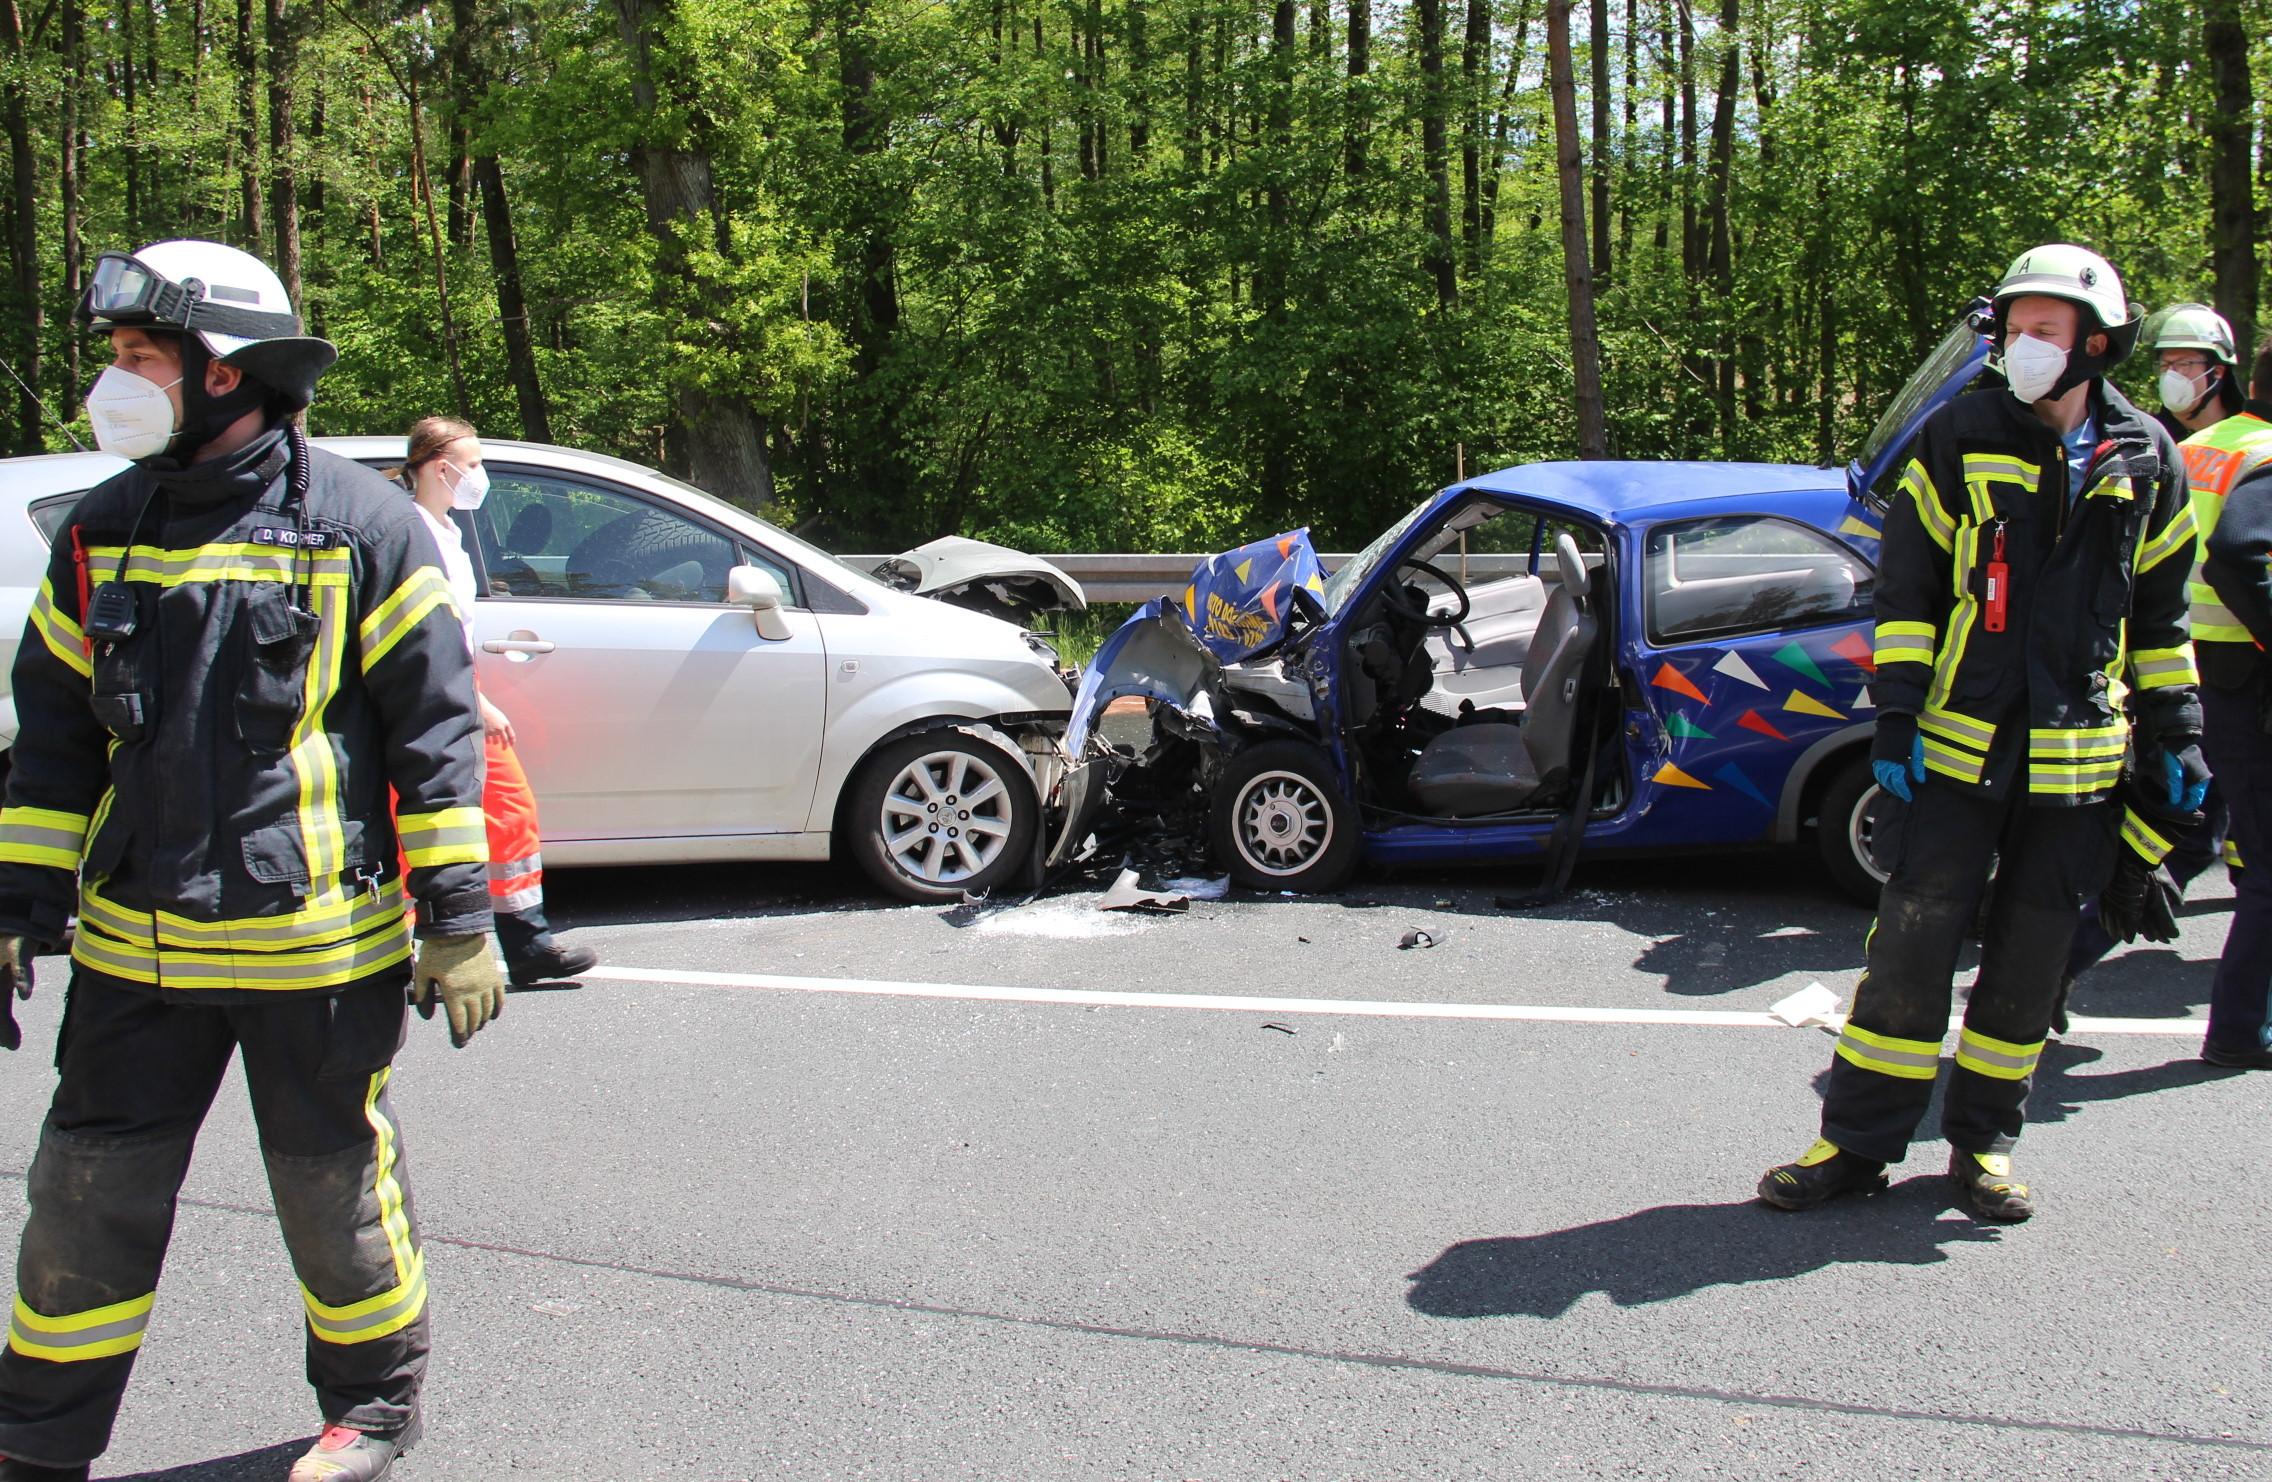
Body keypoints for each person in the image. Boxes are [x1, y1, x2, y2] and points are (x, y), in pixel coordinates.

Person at [0, 240, 501, 1481]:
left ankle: (373, 1410)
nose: (114, 380)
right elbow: (53, 742)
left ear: (224, 372)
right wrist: (15, 905)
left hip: (314, 952)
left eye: (139, 355)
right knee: (82, 1201)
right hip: (136, 953)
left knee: (335, 1195)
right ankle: (37, 1444)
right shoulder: (100, 532)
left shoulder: (364, 528)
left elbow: (435, 734)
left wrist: (459, 919)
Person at [1758, 244, 2201, 1223]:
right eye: (2011, 328)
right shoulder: (1959, 432)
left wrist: (2177, 731)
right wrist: (1896, 717)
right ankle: (1854, 1145)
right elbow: (1909, 591)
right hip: (1956, 753)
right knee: (1908, 953)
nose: (2019, 345)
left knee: (2031, 964)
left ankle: (1984, 1146)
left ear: (2095, 343)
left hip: (2077, 765)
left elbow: (2161, 619)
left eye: (2042, 330)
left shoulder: (2146, 459)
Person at [2051, 303, 2245, 1027]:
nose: (2171, 377)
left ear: (2219, 373)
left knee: (2195, 822)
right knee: (2190, 826)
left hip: (2177, 665)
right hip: (2214, 668)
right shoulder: (2224, 449)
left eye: (2182, 365)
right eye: (2164, 364)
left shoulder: (2177, 447)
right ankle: (2057, 963)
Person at [395, 416, 598, 986]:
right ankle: (401, 960)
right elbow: (424, 637)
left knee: (510, 812)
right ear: (442, 469)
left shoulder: (447, 532)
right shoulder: (411, 534)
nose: (480, 476)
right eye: (474, 464)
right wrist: (476, 703)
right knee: (411, 831)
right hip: (428, 698)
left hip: (456, 692)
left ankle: (527, 944)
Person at [2190, 335, 2272, 1069]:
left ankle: (2050, 968)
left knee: (2184, 836)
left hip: (2193, 661)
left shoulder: (2204, 446)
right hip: (2243, 676)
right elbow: (2239, 552)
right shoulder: (2264, 455)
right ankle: (2241, 1030)